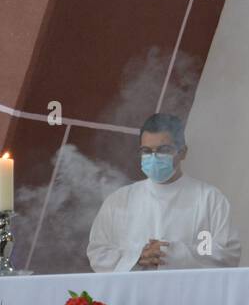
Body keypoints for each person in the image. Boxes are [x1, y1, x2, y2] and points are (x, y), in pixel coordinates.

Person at [87, 113, 240, 272]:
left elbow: (227, 254)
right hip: (133, 294)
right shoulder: (119, 200)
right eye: (146, 151)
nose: (153, 157)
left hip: (185, 293)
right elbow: (98, 253)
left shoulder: (209, 199)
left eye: (163, 150)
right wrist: (138, 256)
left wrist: (172, 253)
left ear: (182, 152)